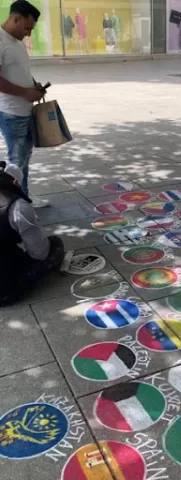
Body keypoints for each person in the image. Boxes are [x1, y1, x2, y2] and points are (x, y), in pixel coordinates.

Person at [0, 0, 49, 208]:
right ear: (15, 18)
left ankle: (24, 197)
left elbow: (20, 71)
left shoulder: (17, 41)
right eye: (27, 28)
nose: (28, 34)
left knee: (24, 160)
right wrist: (24, 92)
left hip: (25, 110)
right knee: (16, 163)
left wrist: (34, 85)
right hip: (12, 112)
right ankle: (14, 206)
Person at [0, 161, 65, 306]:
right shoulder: (18, 207)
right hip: (4, 291)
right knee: (55, 244)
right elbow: (40, 253)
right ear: (16, 182)